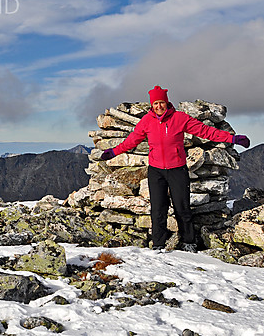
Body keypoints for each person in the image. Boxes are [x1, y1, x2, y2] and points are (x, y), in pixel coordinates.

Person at [97, 85, 250, 252]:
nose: (159, 106)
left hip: (177, 169)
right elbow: (131, 141)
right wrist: (113, 152)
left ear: (166, 102)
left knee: (182, 207)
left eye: (161, 102)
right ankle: (158, 244)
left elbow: (206, 132)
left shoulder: (179, 118)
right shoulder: (146, 122)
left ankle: (189, 242)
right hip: (156, 171)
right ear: (152, 105)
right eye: (155, 104)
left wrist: (233, 138)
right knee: (158, 209)